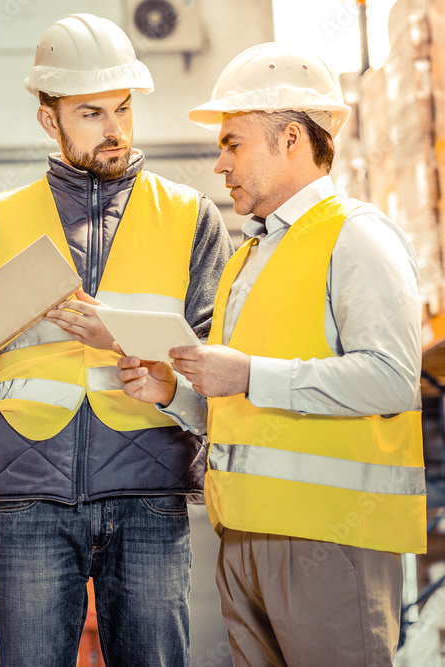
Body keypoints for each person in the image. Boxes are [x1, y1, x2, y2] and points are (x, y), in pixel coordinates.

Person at [0, 13, 233, 666]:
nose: (114, 129)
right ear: (48, 120)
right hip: (30, 490)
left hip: (147, 490)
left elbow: (222, 375)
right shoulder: (0, 225)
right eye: (91, 113)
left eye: (122, 108)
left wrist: (160, 376)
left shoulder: (190, 219)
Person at [118, 42, 427, 666]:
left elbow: (394, 378)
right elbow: (246, 403)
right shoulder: (247, 259)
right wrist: (175, 394)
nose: (219, 164)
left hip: (330, 539)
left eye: (232, 143)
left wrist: (250, 374)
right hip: (245, 541)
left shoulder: (356, 235)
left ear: (290, 138)